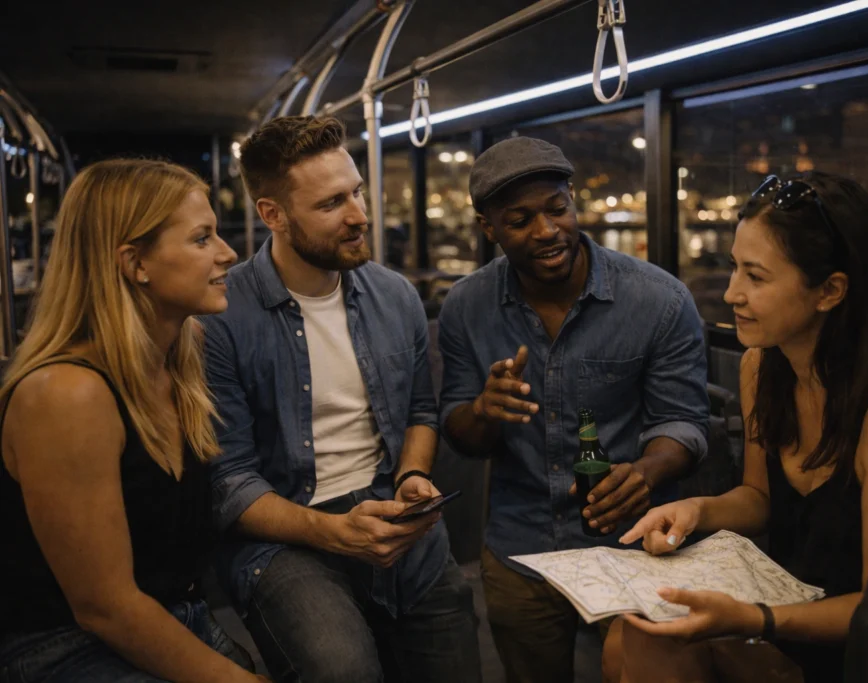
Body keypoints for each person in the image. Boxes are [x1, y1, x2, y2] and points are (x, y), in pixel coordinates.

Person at [603, 171, 868, 683]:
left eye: (755, 277)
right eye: (734, 268)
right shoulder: (763, 365)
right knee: (629, 630)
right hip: (787, 610)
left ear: (830, 290)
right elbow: (761, 498)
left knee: (653, 641)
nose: (732, 293)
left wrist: (755, 618)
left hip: (865, 647)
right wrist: (694, 509)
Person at [201, 115, 481, 683]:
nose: (360, 215)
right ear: (272, 215)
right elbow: (228, 481)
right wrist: (335, 532)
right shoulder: (221, 317)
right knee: (342, 669)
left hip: (391, 507)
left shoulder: (395, 295)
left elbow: (419, 415)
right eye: (332, 204)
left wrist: (411, 479)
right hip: (285, 533)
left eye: (356, 192)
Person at [438, 136, 710, 683]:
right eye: (519, 220)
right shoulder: (466, 306)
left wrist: (644, 471)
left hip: (636, 545)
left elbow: (683, 422)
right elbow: (460, 433)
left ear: (572, 199)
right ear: (488, 228)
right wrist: (485, 410)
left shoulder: (658, 300)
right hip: (521, 548)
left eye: (557, 209)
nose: (546, 231)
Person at [0, 159, 263, 682]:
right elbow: (106, 607)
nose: (228, 253)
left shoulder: (180, 358)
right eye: (201, 239)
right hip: (66, 645)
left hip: (178, 616)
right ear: (134, 263)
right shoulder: (67, 394)